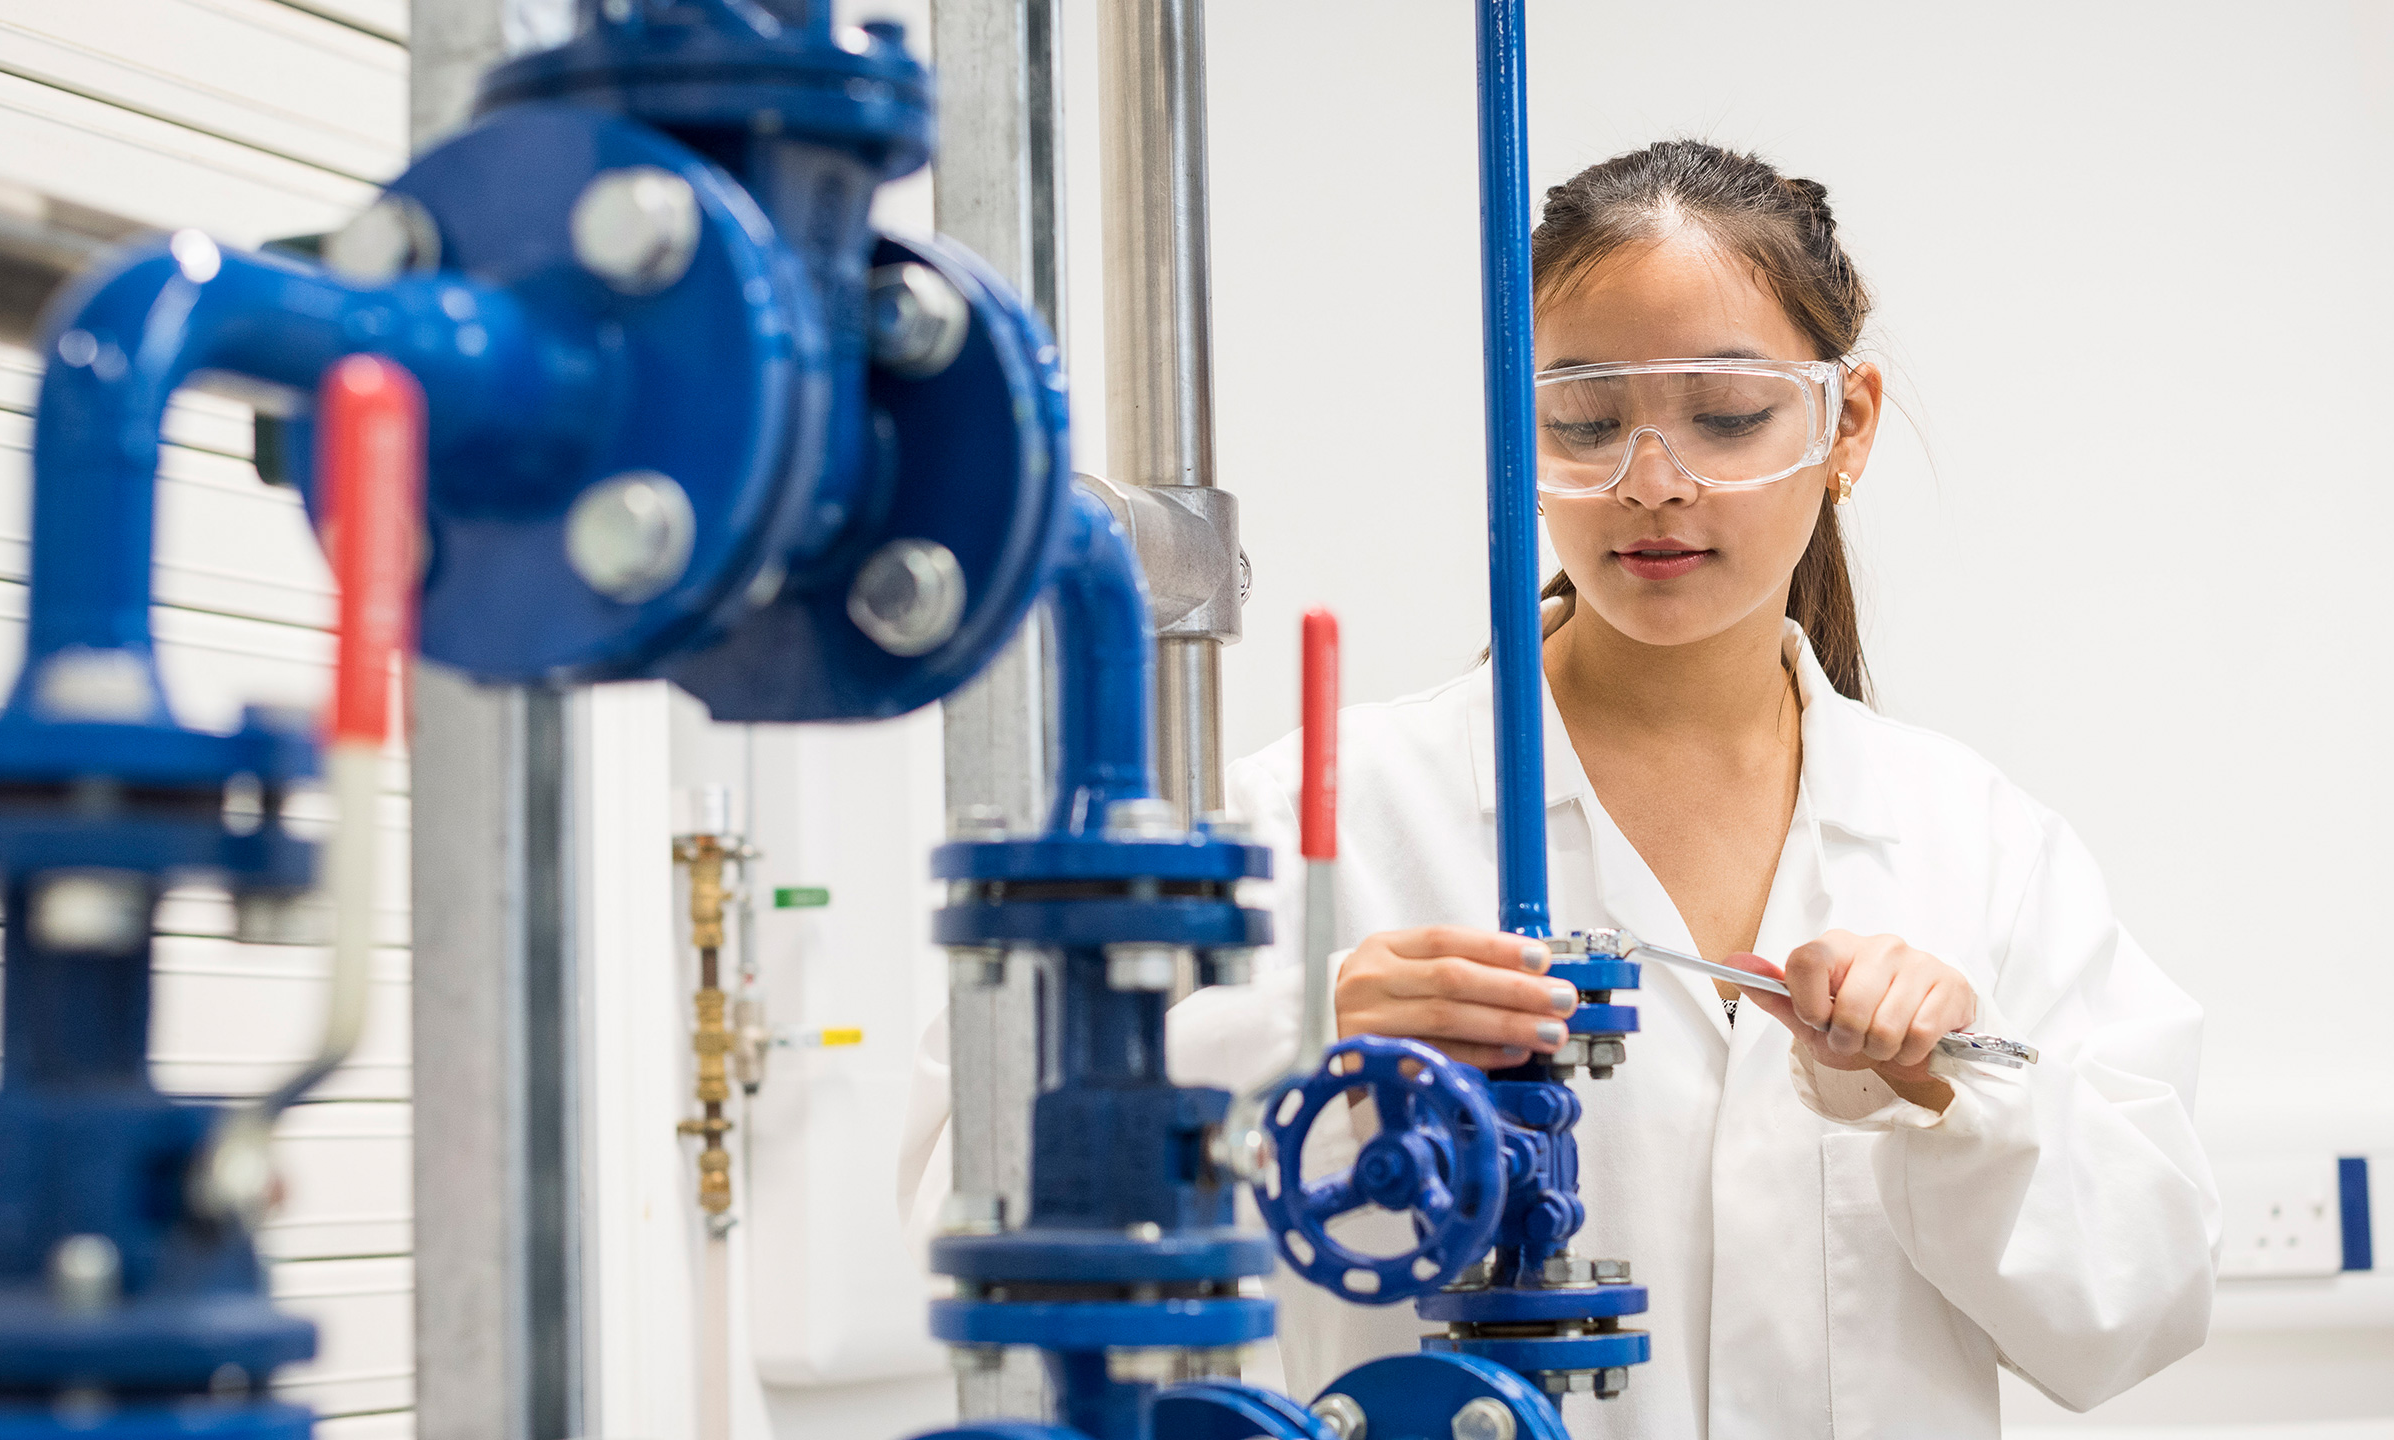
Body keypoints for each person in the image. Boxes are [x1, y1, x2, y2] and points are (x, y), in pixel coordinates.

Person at [904, 140, 2219, 1439]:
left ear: (1845, 423)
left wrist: (1954, 1092)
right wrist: (1301, 1028)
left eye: (1726, 414)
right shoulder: (1321, 817)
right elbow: (973, 1195)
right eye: (1586, 421)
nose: (1651, 480)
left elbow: (2140, 1306)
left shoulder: (1972, 844)